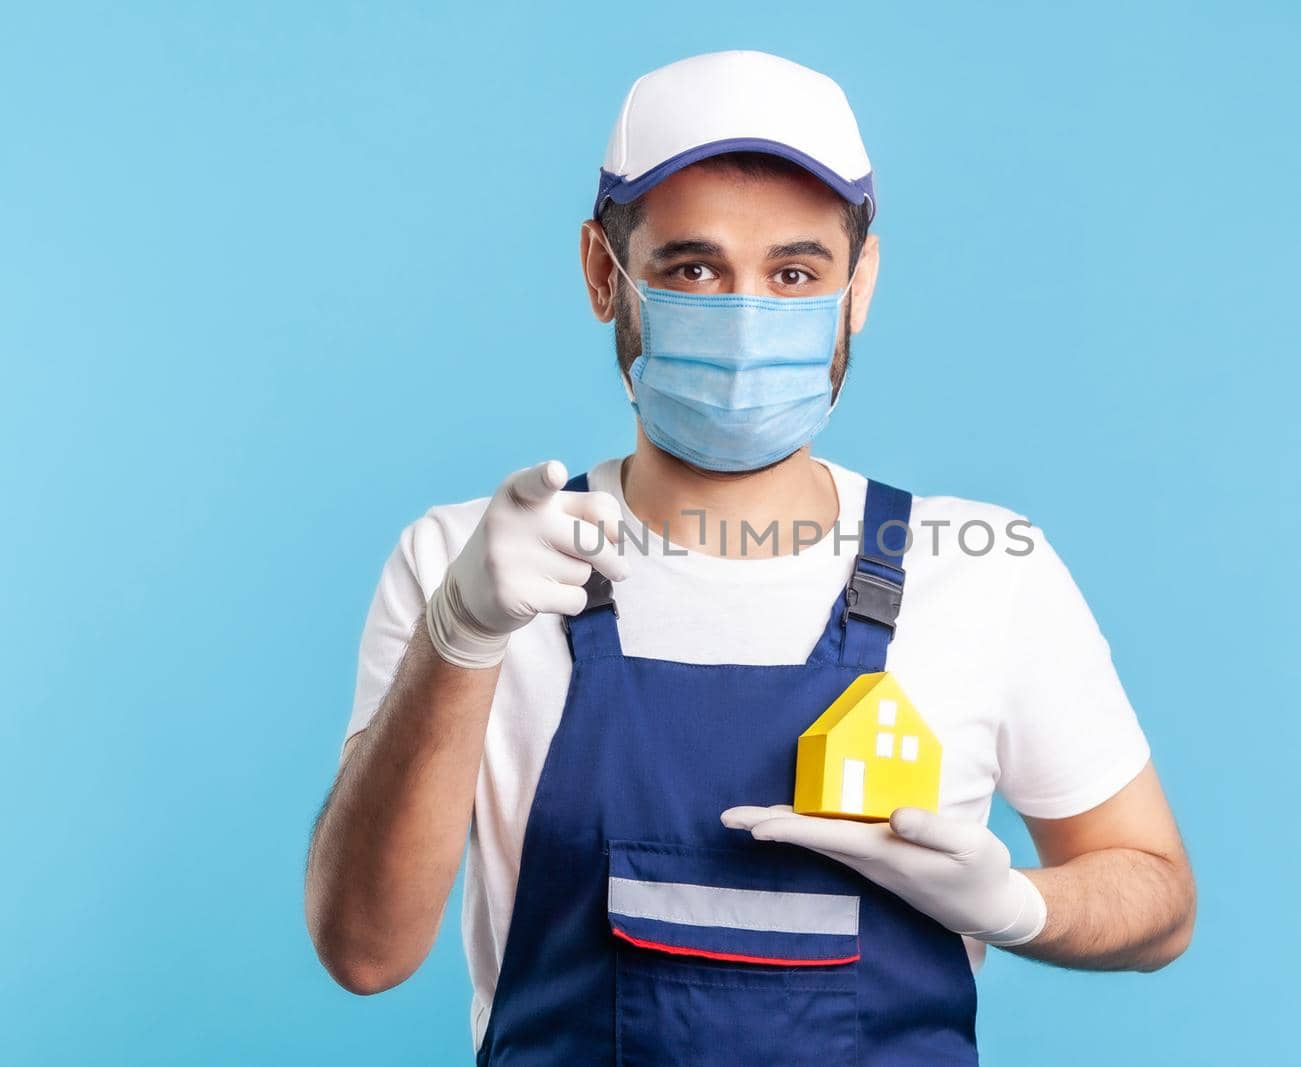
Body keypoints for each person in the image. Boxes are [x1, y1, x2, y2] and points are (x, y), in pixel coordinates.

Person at [305, 49, 1196, 1065]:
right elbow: (364, 949)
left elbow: (1157, 898)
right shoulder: (474, 565)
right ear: (605, 273)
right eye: (693, 268)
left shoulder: (985, 569)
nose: (744, 316)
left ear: (858, 286)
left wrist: (1013, 900)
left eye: (793, 272)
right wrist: (459, 635)